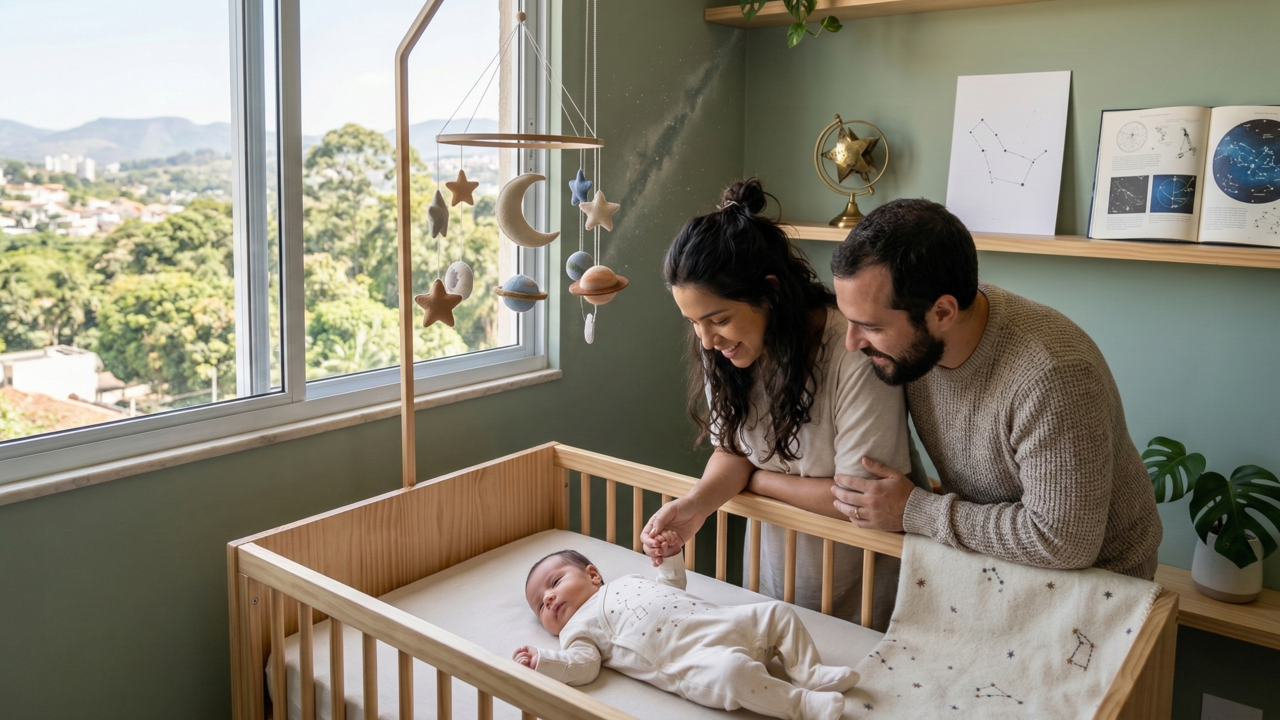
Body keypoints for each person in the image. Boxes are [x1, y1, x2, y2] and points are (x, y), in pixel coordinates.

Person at [640, 178, 927, 628]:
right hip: (775, 568)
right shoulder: (725, 351)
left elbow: (861, 501)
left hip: (864, 575)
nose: (707, 340)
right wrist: (695, 506)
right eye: (693, 323)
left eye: (718, 320)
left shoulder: (850, 352)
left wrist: (756, 479)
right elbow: (732, 451)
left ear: (770, 293)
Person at [826, 198, 1162, 579]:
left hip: (1099, 586)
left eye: (871, 327)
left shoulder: (1053, 374)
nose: (853, 343)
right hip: (993, 565)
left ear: (943, 313)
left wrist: (917, 510)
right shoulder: (916, 346)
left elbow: (1063, 540)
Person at [513, 547, 858, 720]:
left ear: (592, 575)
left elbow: (672, 585)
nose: (549, 598)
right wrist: (544, 661)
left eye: (555, 583)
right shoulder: (575, 630)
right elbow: (582, 666)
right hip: (696, 661)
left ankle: (810, 672)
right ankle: (801, 705)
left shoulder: (627, 581)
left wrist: (670, 557)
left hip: (724, 621)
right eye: (539, 606)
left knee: (776, 611)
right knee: (733, 673)